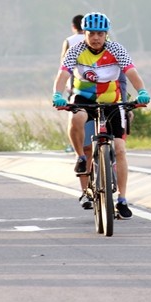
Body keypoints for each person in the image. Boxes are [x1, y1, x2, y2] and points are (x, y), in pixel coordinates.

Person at [52, 12, 151, 219]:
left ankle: (122, 199)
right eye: (91, 34)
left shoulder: (117, 49)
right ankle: (80, 157)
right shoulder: (76, 50)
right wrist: (57, 95)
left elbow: (131, 72)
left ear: (106, 34)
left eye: (100, 33)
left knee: (120, 149)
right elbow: (63, 75)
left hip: (112, 100)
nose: (96, 38)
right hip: (84, 98)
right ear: (84, 33)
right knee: (76, 117)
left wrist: (141, 91)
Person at [61, 15, 94, 210]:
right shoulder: (78, 47)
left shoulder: (69, 41)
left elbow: (63, 66)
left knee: (85, 147)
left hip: (78, 94)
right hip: (85, 94)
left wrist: (65, 91)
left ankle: (85, 192)